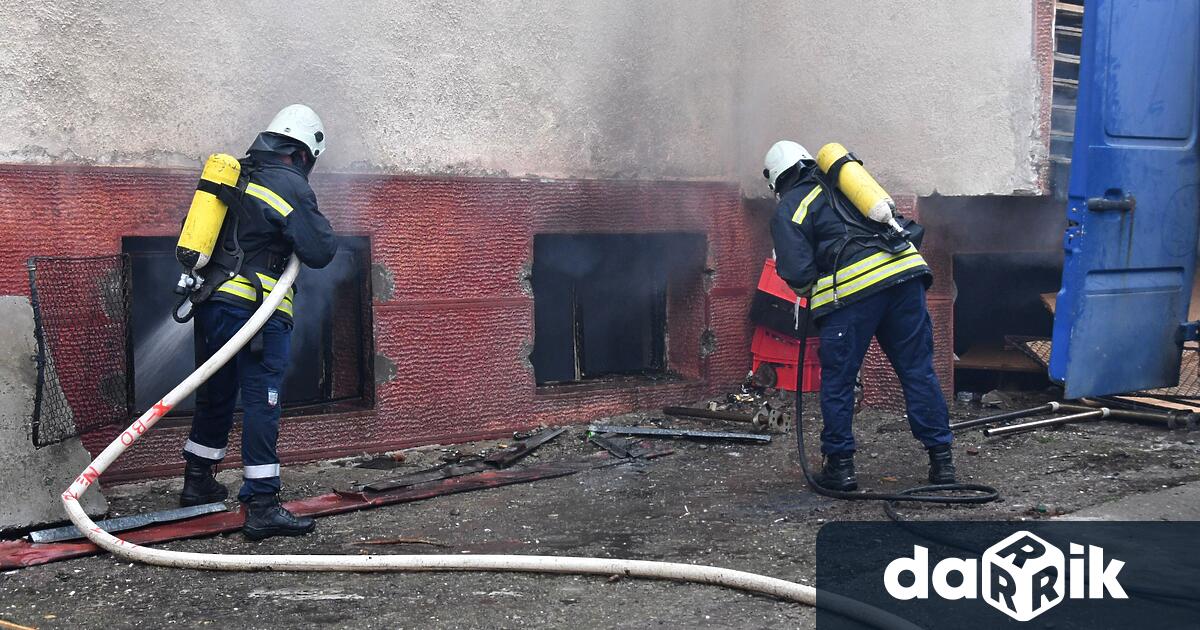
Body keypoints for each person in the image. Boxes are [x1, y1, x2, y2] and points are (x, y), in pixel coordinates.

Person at [178, 104, 338, 540]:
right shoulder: (289, 183)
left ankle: (198, 482)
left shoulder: (236, 176)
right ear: (303, 153)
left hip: (211, 303)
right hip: (256, 310)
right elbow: (321, 251)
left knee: (216, 387)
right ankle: (263, 504)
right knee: (262, 399)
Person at [762, 140, 955, 491]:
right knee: (917, 369)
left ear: (776, 179)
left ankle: (841, 468)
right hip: (906, 275)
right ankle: (942, 463)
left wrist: (812, 295)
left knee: (838, 380)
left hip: (855, 295)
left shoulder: (791, 205)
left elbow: (798, 273)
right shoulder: (846, 185)